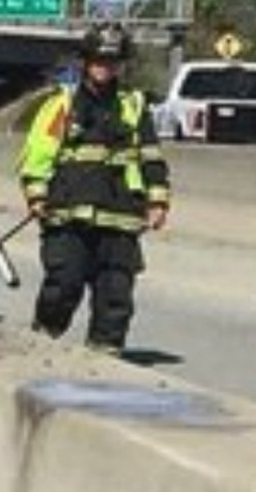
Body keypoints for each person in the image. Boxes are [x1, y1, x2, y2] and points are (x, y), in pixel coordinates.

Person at [19, 23, 170, 355]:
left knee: (115, 295)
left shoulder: (133, 105)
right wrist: (36, 195)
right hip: (66, 211)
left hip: (120, 213)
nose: (106, 66)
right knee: (63, 284)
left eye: (113, 61)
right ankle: (41, 341)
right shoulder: (62, 104)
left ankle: (105, 356)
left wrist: (157, 200)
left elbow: (150, 155)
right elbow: (38, 154)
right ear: (86, 61)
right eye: (99, 59)